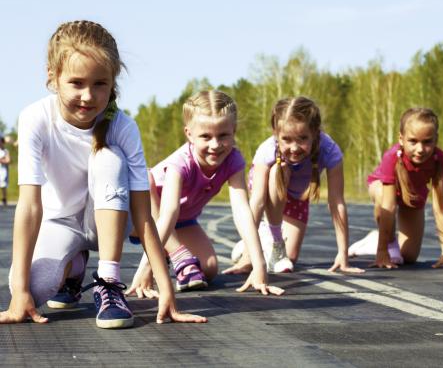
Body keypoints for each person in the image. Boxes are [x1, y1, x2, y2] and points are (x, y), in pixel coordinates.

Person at [0, 20, 206, 328]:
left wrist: (167, 291)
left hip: (108, 223)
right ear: (52, 77)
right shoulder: (35, 118)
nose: (88, 96)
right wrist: (20, 292)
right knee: (31, 287)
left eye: (99, 84)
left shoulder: (123, 127)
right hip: (60, 223)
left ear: (113, 82)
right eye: (77, 83)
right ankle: (74, 265)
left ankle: (107, 283)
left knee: (107, 158)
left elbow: (143, 214)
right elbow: (29, 206)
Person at [125, 90, 284, 297]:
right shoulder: (180, 162)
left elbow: (242, 211)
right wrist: (148, 267)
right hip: (142, 218)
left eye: (223, 135)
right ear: (189, 134)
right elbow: (168, 213)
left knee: (208, 269)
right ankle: (174, 254)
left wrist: (259, 264)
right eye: (205, 137)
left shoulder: (234, 160)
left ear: (234, 130)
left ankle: (172, 254)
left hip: (183, 222)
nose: (215, 145)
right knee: (146, 179)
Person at [232, 96, 364, 274]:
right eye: (286, 139)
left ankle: (265, 239)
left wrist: (343, 254)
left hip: (296, 196)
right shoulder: (267, 151)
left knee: (291, 258)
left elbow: (337, 202)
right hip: (267, 191)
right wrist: (248, 257)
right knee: (280, 170)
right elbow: (257, 203)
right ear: (275, 134)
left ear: (315, 133)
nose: (294, 148)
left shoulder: (330, 151)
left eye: (302, 138)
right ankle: (272, 242)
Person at [348, 107, 443, 270]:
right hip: (384, 190)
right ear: (401, 139)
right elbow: (389, 206)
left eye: (427, 142)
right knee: (381, 195)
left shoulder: (440, 159)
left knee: (409, 257)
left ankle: (374, 239)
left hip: (412, 196)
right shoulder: (391, 156)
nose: (420, 149)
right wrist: (382, 252)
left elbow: (440, 207)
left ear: (436, 139)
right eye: (413, 141)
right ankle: (385, 243)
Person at [0, 134, 10, 206]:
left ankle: (4, 199)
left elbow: (8, 160)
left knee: (3, 186)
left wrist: (1, 160)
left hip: (3, 171)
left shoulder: (6, 151)